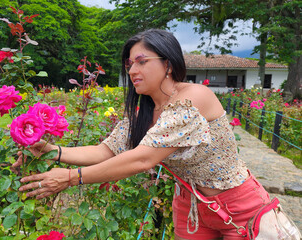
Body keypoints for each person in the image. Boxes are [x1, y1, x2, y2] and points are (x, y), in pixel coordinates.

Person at [14, 29, 270, 239]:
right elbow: (105, 150)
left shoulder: (194, 98)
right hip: (190, 205)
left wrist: (70, 178)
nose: (132, 70)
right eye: (129, 64)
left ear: (168, 64)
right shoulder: (143, 114)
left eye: (142, 61)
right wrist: (52, 150)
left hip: (238, 205)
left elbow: (142, 159)